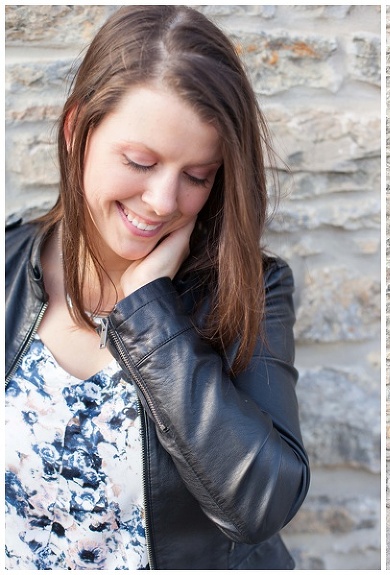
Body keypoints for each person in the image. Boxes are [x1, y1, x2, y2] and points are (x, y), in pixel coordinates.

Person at [5, 6, 310, 570]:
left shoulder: (255, 289)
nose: (164, 202)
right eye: (140, 162)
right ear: (77, 131)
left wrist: (149, 315)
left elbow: (262, 503)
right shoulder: (8, 265)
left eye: (197, 176)